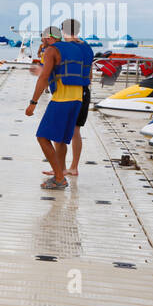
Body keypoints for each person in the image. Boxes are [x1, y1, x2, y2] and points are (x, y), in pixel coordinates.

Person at [25, 27, 92, 189]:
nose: (42, 41)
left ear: (49, 37)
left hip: (62, 99)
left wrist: (33, 103)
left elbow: (44, 78)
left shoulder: (51, 50)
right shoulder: (76, 48)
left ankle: (60, 178)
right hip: (78, 99)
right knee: (60, 139)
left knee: (42, 137)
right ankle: (59, 172)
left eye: (43, 38)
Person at [62, 18, 91, 176]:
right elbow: (90, 73)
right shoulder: (86, 47)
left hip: (70, 92)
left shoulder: (66, 48)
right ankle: (73, 167)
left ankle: (61, 167)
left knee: (62, 130)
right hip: (85, 90)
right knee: (75, 131)